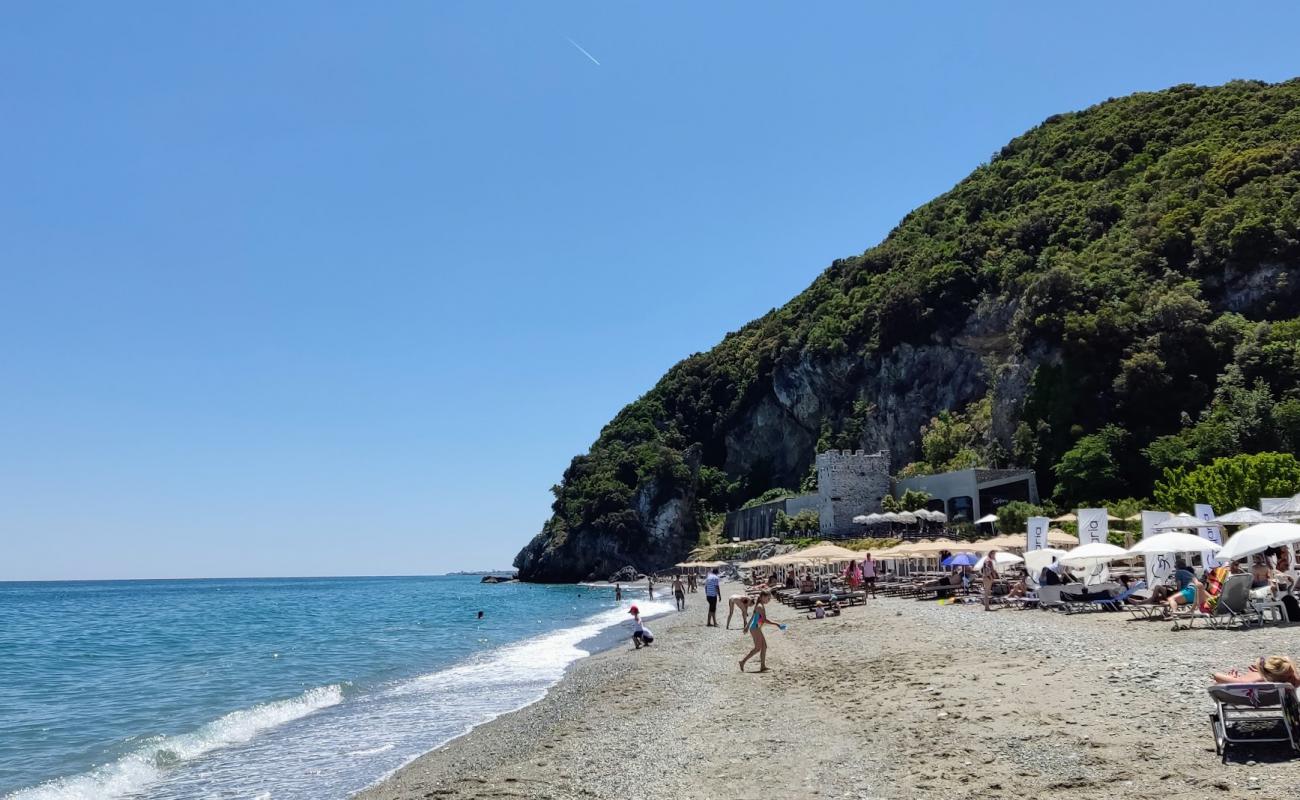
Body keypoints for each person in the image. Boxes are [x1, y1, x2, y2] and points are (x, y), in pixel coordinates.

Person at [739, 590, 785, 672]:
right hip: (755, 628)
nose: (769, 600)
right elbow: (764, 620)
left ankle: (762, 666)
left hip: (756, 628)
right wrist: (776, 624)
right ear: (762, 597)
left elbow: (753, 617)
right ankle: (742, 662)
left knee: (764, 647)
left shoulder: (759, 605)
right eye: (768, 598)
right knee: (757, 648)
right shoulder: (760, 606)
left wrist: (747, 626)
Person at [1212, 655, 1300, 687]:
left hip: (1242, 682)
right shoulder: (1293, 682)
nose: (1295, 677)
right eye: (1290, 676)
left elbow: (1217, 676)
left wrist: (1231, 678)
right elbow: (1287, 658)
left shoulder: (1261, 680)